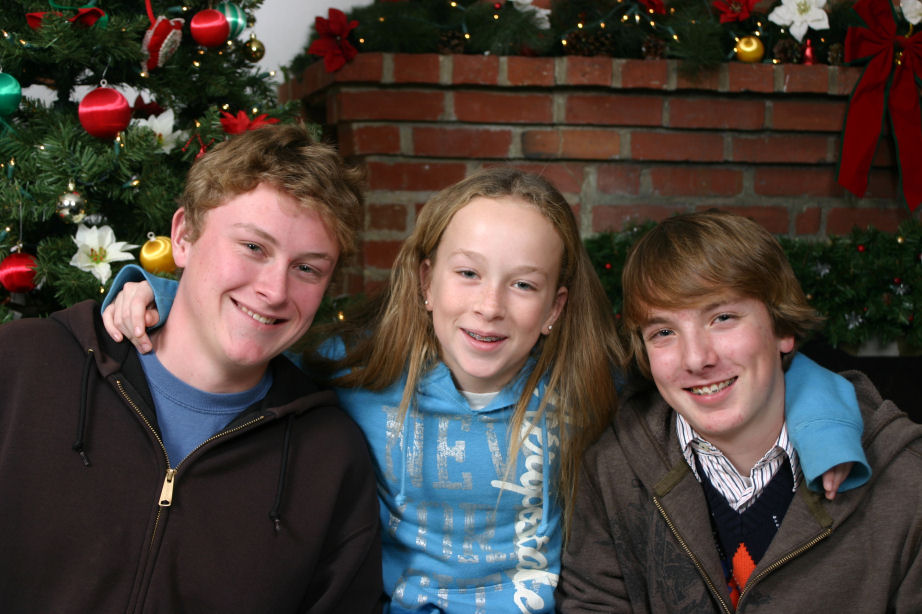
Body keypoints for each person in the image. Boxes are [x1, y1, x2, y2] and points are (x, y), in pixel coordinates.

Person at [102, 172, 865, 613]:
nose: (489, 307)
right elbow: (251, 325)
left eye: (522, 285)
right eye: (467, 273)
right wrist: (155, 291)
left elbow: (742, 367)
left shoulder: (590, 378)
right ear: (425, 279)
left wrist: (828, 432)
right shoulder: (357, 366)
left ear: (555, 308)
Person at [0, 124, 383, 613]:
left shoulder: (330, 457)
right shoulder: (23, 366)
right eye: (253, 247)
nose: (275, 291)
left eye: (307, 268)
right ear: (183, 237)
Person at [555, 210, 922, 613]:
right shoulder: (609, 471)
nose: (696, 359)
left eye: (723, 318)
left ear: (782, 329)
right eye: (664, 332)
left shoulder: (907, 485)